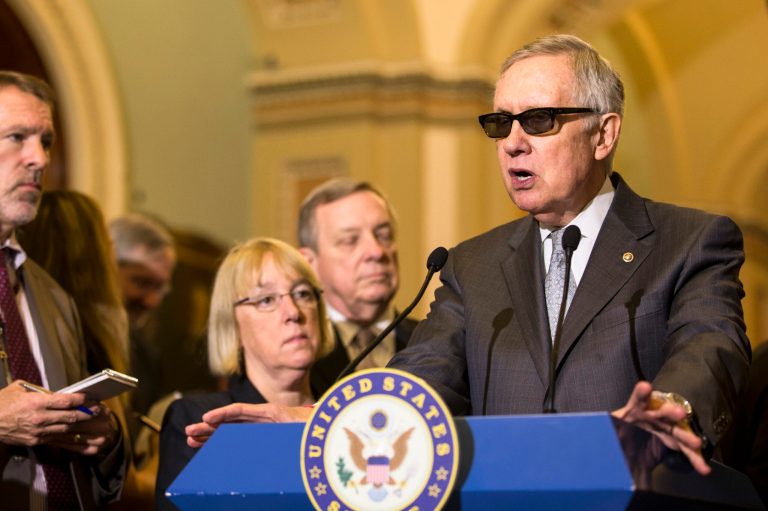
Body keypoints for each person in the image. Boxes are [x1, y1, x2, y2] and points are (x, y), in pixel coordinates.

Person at [184, 34, 750, 477]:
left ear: (604, 135)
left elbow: (711, 346)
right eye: (501, 123)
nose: (512, 142)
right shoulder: (472, 267)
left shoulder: (689, 240)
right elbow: (417, 381)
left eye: (540, 120)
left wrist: (673, 406)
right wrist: (322, 419)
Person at [0, 71, 125, 509]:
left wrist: (104, 438)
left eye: (46, 141)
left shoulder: (54, 297)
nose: (38, 158)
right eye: (17, 137)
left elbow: (90, 466)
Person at [155, 237, 333, 510]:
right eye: (266, 299)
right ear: (232, 327)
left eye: (303, 294)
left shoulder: (349, 413)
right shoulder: (200, 422)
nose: (293, 312)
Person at [18, 190, 154, 509]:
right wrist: (164, 461)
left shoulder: (31, 328)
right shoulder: (90, 339)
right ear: (94, 255)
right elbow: (126, 490)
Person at [297, 178, 417, 394]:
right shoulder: (295, 351)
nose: (377, 252)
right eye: (350, 240)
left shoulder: (433, 338)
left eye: (384, 235)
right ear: (309, 264)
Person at [108, 213, 177, 416]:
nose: (152, 301)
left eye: (160, 289)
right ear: (107, 268)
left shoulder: (148, 356)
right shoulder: (71, 337)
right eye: (141, 283)